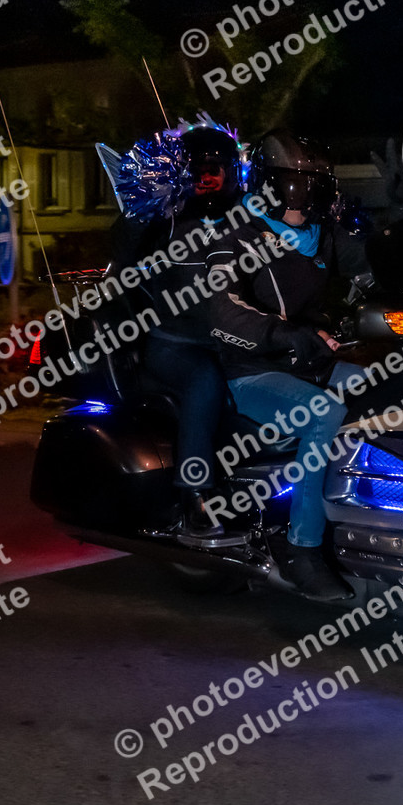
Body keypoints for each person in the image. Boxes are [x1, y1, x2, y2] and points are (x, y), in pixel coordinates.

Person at [200, 133, 368, 600]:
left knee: (385, 389)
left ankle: (368, 518)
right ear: (270, 186)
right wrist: (284, 334)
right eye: (297, 185)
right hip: (251, 370)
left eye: (316, 186)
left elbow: (373, 268)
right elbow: (222, 308)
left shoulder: (322, 235)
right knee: (323, 414)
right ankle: (302, 550)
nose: (306, 198)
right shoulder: (236, 235)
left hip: (311, 361)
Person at [110, 120, 243, 544]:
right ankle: (194, 496)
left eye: (216, 168)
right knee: (204, 379)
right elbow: (122, 252)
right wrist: (142, 206)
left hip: (234, 339)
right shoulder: (166, 219)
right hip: (175, 344)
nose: (208, 177)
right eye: (198, 169)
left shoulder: (244, 217)